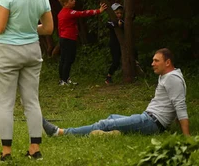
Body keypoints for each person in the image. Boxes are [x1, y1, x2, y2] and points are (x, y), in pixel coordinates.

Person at [43, 48, 190, 137]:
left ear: (168, 62)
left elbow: (180, 106)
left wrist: (186, 136)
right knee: (112, 117)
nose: (152, 64)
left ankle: (60, 132)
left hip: (152, 123)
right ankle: (112, 135)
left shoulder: (173, 79)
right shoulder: (166, 76)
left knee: (104, 123)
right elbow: (174, 104)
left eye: (156, 60)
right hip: (148, 118)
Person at [0, 0, 54, 162]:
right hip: (32, 51)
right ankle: (34, 147)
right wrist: (29, 28)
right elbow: (48, 29)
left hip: (8, 51)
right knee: (31, 100)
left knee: (6, 103)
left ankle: (6, 151)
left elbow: (0, 28)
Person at [57, 0, 107, 85]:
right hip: (69, 39)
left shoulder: (60, 13)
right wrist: (98, 11)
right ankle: (64, 80)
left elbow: (59, 27)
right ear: (65, 3)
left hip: (63, 38)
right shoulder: (69, 13)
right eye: (71, 0)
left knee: (63, 59)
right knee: (69, 59)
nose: (74, 1)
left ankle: (63, 79)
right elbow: (83, 13)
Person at [105, 3, 124, 84]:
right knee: (116, 61)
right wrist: (117, 24)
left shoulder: (122, 21)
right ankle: (108, 76)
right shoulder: (110, 21)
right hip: (114, 44)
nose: (119, 15)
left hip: (122, 44)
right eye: (117, 13)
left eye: (120, 13)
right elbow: (109, 25)